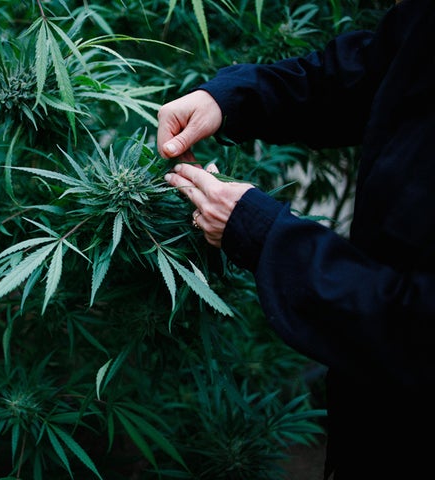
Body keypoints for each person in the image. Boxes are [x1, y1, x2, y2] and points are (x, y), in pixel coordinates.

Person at [157, 0, 435, 478]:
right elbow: (369, 72)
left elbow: (417, 327)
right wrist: (231, 96)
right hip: (370, 405)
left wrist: (262, 234)